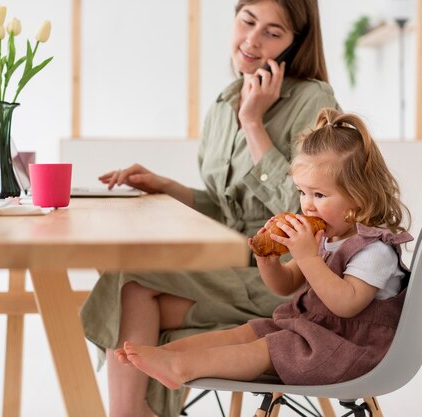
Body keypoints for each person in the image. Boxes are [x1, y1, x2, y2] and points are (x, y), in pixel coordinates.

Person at [80, 1, 339, 416]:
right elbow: (227, 209)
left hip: (283, 276)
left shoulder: (313, 100)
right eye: (248, 21)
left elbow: (306, 214)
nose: (253, 40)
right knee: (132, 297)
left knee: (128, 285)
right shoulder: (224, 103)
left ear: (296, 44)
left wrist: (254, 124)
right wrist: (168, 186)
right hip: (228, 266)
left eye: (273, 33)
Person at [116, 108, 413, 391]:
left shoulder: (375, 250)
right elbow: (286, 285)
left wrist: (307, 256)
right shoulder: (325, 239)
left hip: (349, 350)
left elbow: (345, 304)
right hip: (312, 333)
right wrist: (268, 262)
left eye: (319, 194)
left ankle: (182, 367)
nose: (307, 204)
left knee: (269, 347)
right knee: (249, 331)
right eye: (302, 192)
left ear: (359, 198)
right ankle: (165, 354)